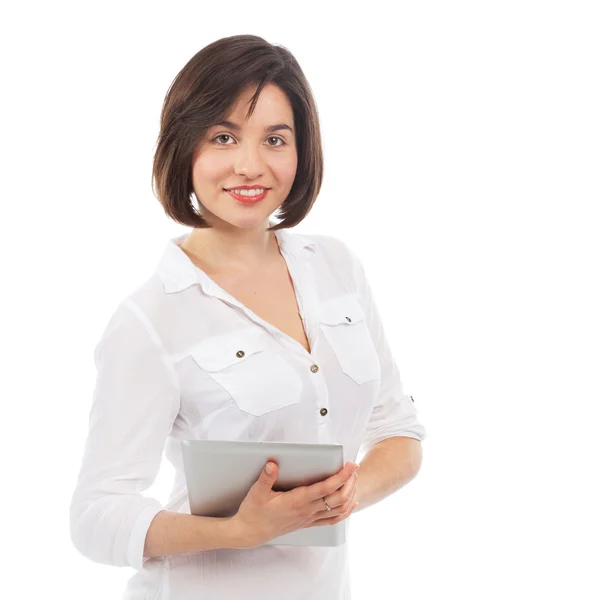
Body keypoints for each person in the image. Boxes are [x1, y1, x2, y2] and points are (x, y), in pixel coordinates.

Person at [69, 34, 427, 600]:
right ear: (184, 148)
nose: (250, 165)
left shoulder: (337, 268)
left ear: (301, 151)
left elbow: (399, 432)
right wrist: (238, 530)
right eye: (224, 136)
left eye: (275, 139)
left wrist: (343, 494)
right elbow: (94, 517)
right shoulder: (150, 318)